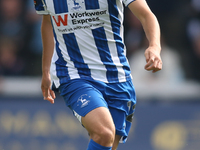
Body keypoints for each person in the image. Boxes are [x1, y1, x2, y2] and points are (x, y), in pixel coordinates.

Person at [34, 0, 162, 149]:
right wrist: (46, 71)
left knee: (107, 141)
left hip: (118, 77)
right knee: (104, 133)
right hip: (74, 73)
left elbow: (146, 15)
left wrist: (154, 47)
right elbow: (48, 22)